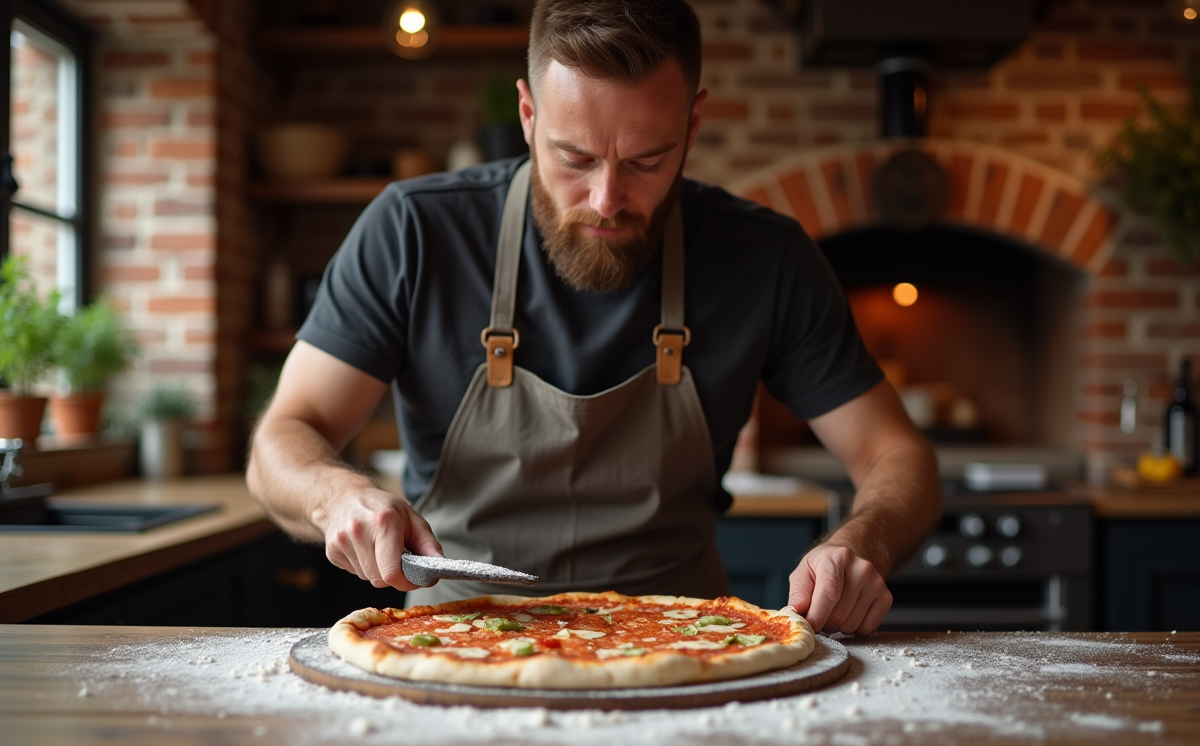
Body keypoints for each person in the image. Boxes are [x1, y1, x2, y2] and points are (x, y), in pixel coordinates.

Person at [246, 0, 941, 637]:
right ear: (527, 115)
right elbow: (284, 435)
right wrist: (340, 497)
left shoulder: (767, 258)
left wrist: (860, 544)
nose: (607, 199)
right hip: (454, 641)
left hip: (688, 648)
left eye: (647, 160)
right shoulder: (413, 232)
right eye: (574, 158)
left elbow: (898, 455)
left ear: (692, 125)